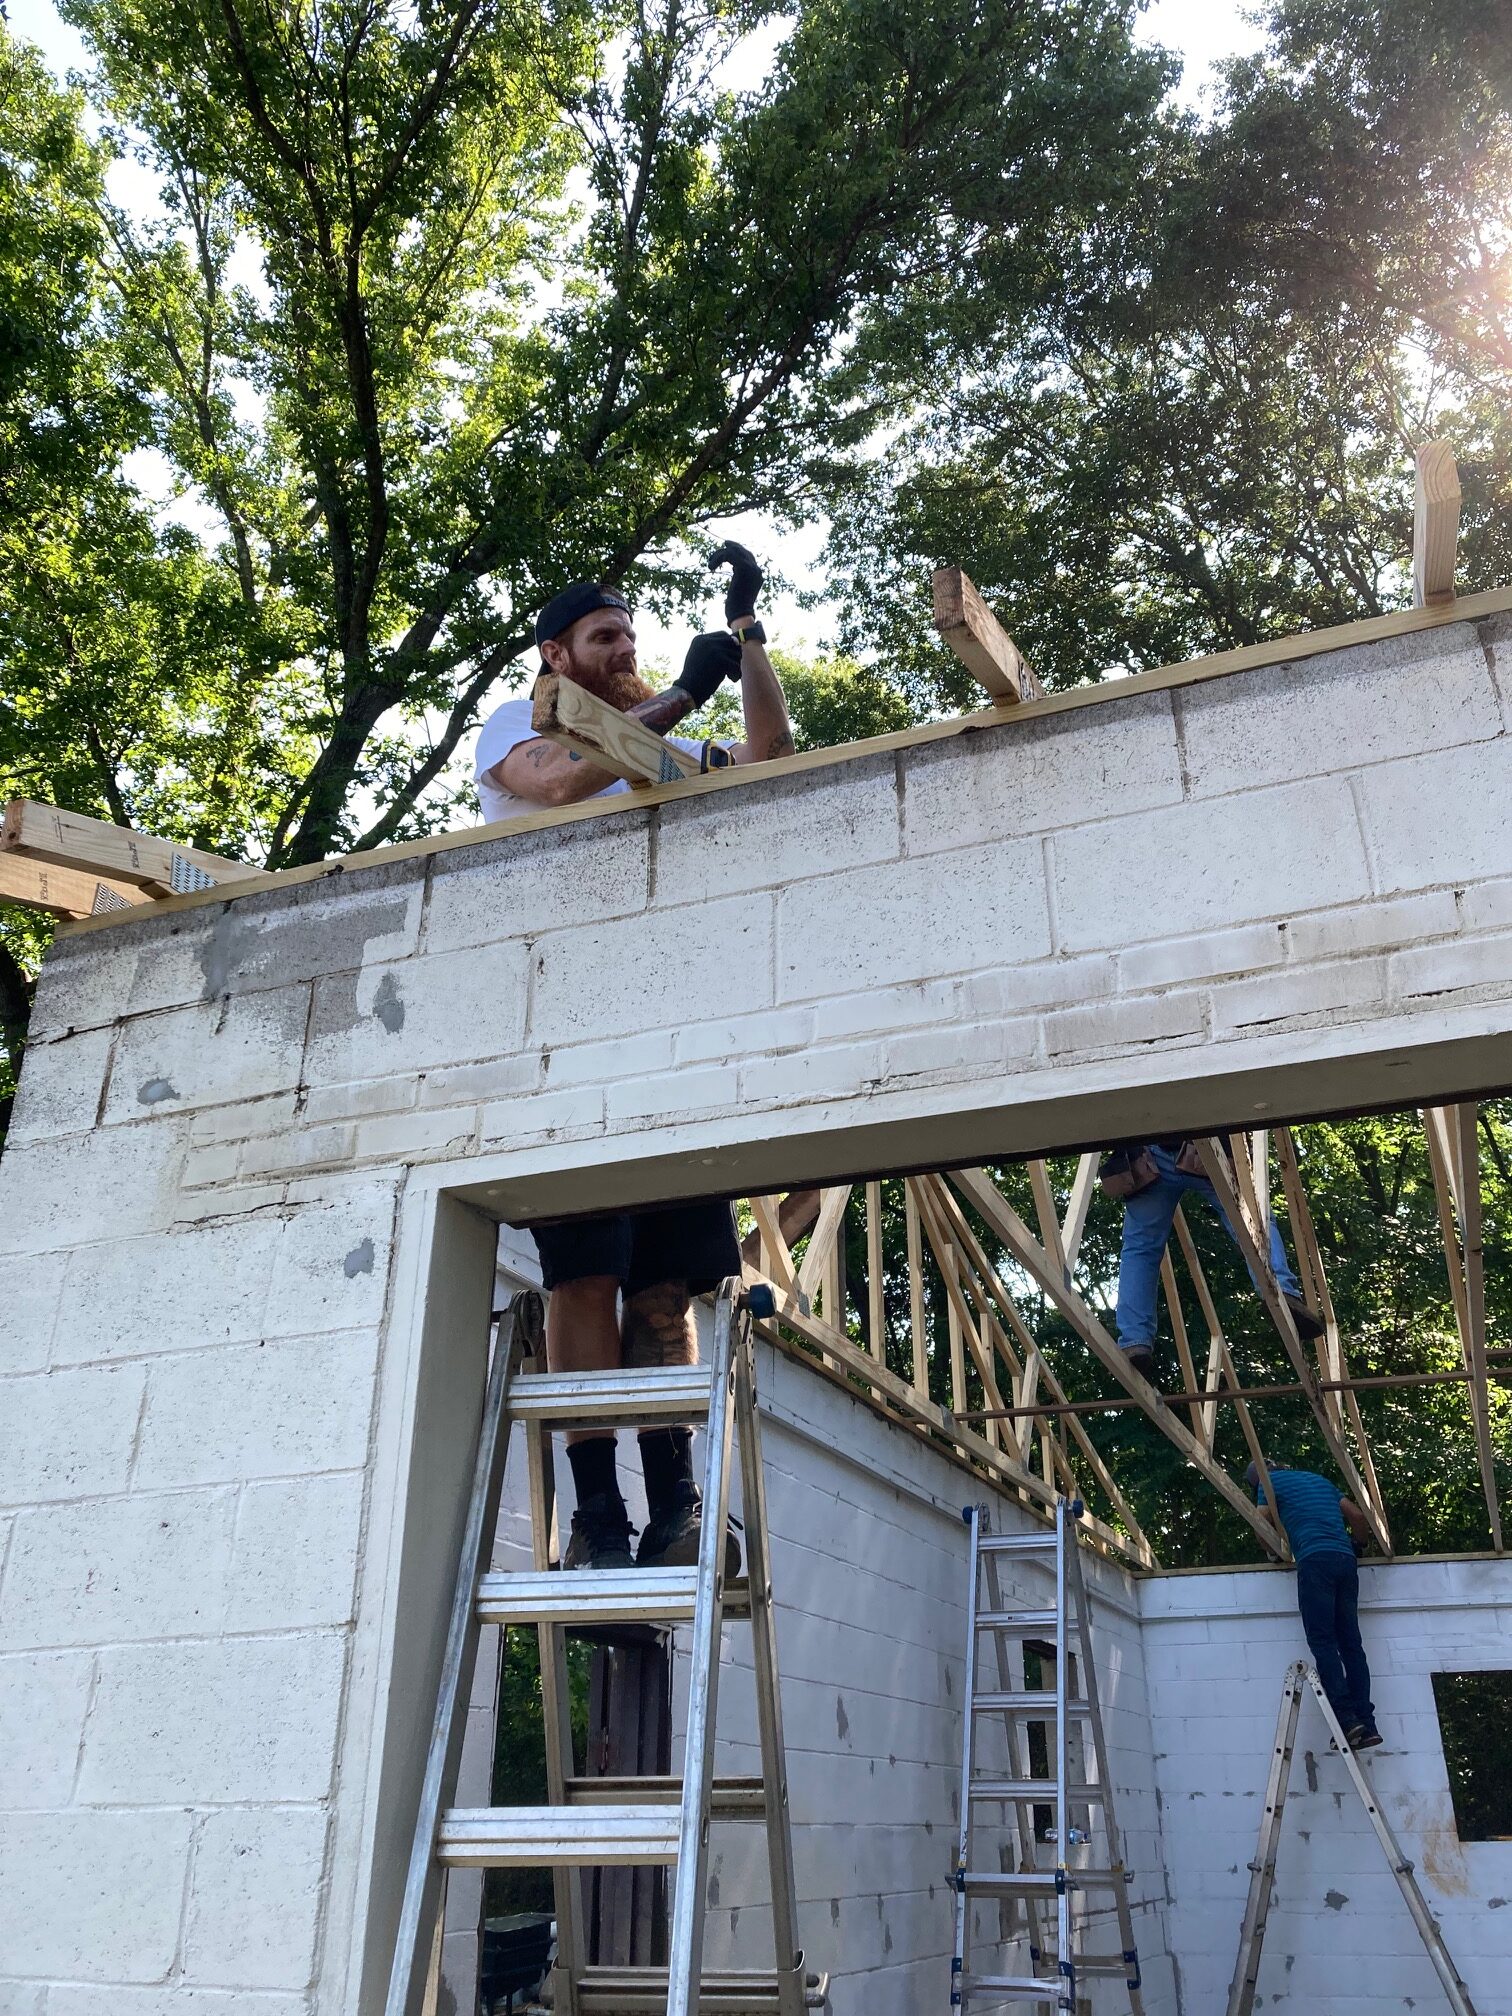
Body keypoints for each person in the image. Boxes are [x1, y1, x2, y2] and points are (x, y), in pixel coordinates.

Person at [475, 543, 794, 1572]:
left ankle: (677, 1503)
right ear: (555, 653)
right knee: (586, 1278)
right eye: (604, 637)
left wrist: (745, 643)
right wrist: (678, 696)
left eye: (633, 639)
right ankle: (599, 1515)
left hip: (664, 1040)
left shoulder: (657, 741)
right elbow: (565, 783)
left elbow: (771, 757)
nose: (625, 652)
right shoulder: (518, 724)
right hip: (558, 1041)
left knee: (667, 1289)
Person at [1105, 1137, 1324, 1385]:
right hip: (1203, 1148)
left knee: (1140, 1249)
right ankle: (1281, 1291)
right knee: (1254, 1218)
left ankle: (1135, 1340)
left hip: (1148, 1156)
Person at [1248, 1459, 1382, 1751]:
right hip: (1345, 1561)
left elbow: (1260, 1521)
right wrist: (1359, 1546)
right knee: (1351, 1644)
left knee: (1323, 1642)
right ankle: (1367, 1724)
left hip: (1314, 1561)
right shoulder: (1318, 1479)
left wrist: (1271, 1551)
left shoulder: (1267, 1485)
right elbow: (1358, 1517)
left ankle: (1347, 1720)